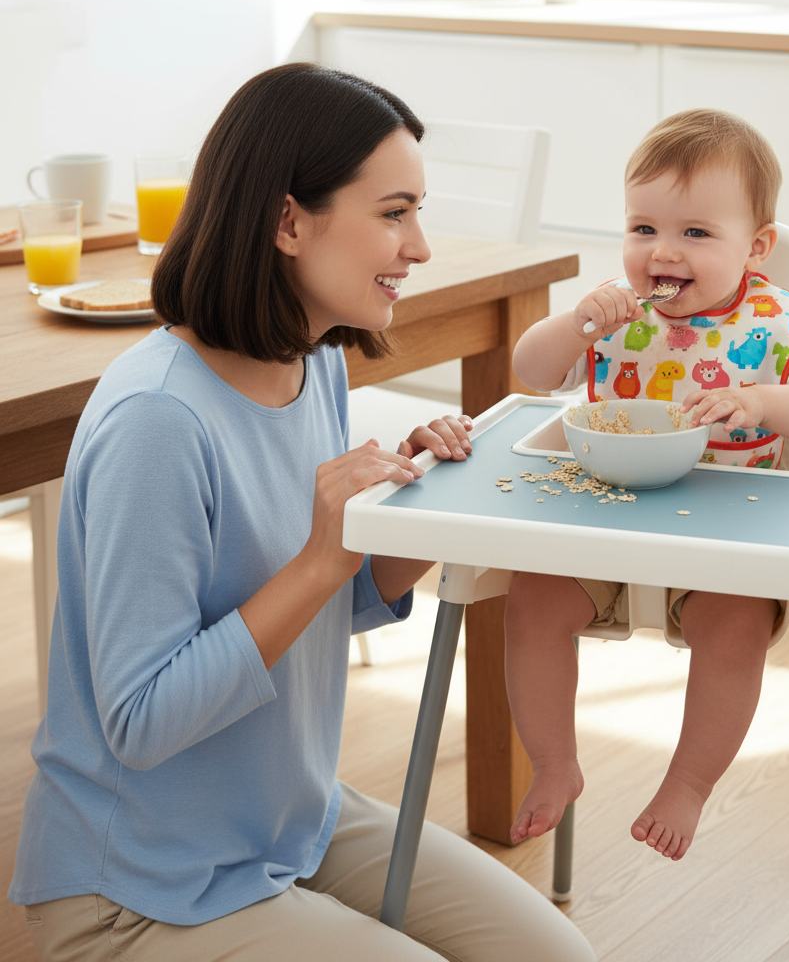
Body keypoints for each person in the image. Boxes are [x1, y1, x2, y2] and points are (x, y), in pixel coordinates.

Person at [8, 64, 595, 962]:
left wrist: (413, 515)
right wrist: (323, 557)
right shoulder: (158, 423)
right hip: (138, 889)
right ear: (289, 221)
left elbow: (328, 608)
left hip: (293, 822)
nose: (422, 246)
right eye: (394, 213)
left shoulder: (313, 360)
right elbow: (140, 720)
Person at [505, 109, 789, 861]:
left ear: (756, 248)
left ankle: (689, 783)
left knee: (734, 633)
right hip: (604, 531)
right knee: (530, 598)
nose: (663, 252)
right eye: (643, 229)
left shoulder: (771, 325)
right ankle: (554, 764)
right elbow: (530, 375)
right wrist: (575, 327)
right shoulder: (617, 318)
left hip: (721, 548)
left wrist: (760, 402)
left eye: (696, 233)